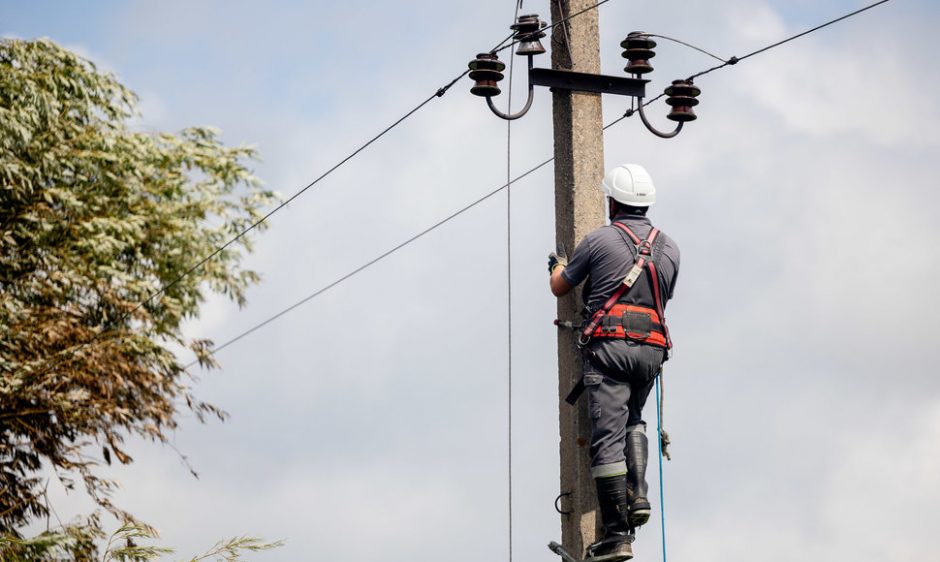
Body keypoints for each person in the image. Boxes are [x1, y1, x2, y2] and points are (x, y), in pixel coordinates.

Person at [547, 163, 679, 560]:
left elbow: (560, 286)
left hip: (611, 350)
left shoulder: (600, 239)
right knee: (633, 421)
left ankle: (616, 534)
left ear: (612, 202)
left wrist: (556, 264)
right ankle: (638, 496)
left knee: (606, 440)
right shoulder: (670, 247)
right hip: (651, 351)